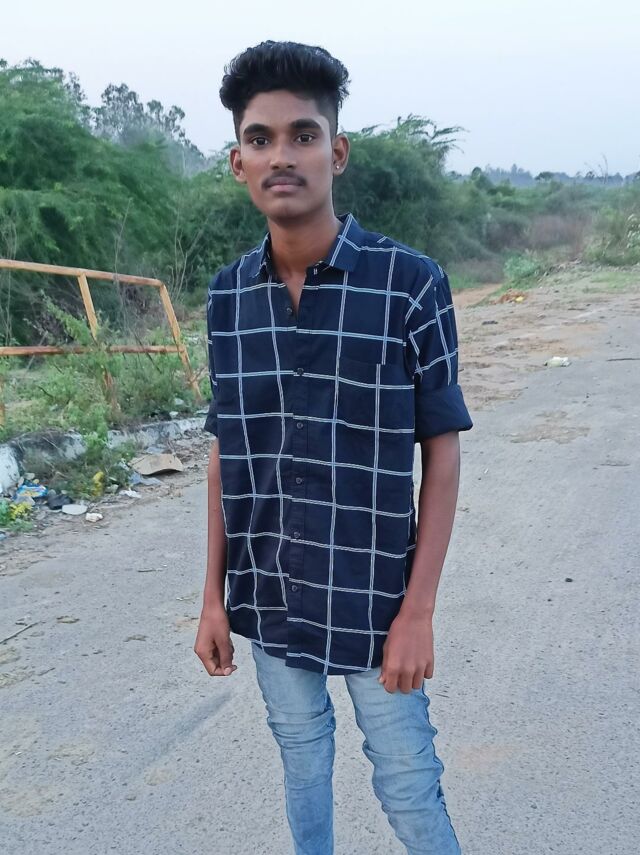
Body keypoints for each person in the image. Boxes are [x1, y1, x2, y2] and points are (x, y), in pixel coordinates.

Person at [194, 40, 473, 855]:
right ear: (239, 161)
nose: (282, 155)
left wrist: (418, 612)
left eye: (303, 135)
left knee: (408, 781)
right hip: (269, 595)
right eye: (260, 138)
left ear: (336, 152)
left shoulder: (408, 283)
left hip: (375, 599)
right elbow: (225, 452)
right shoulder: (226, 297)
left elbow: (442, 452)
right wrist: (212, 597)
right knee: (302, 761)